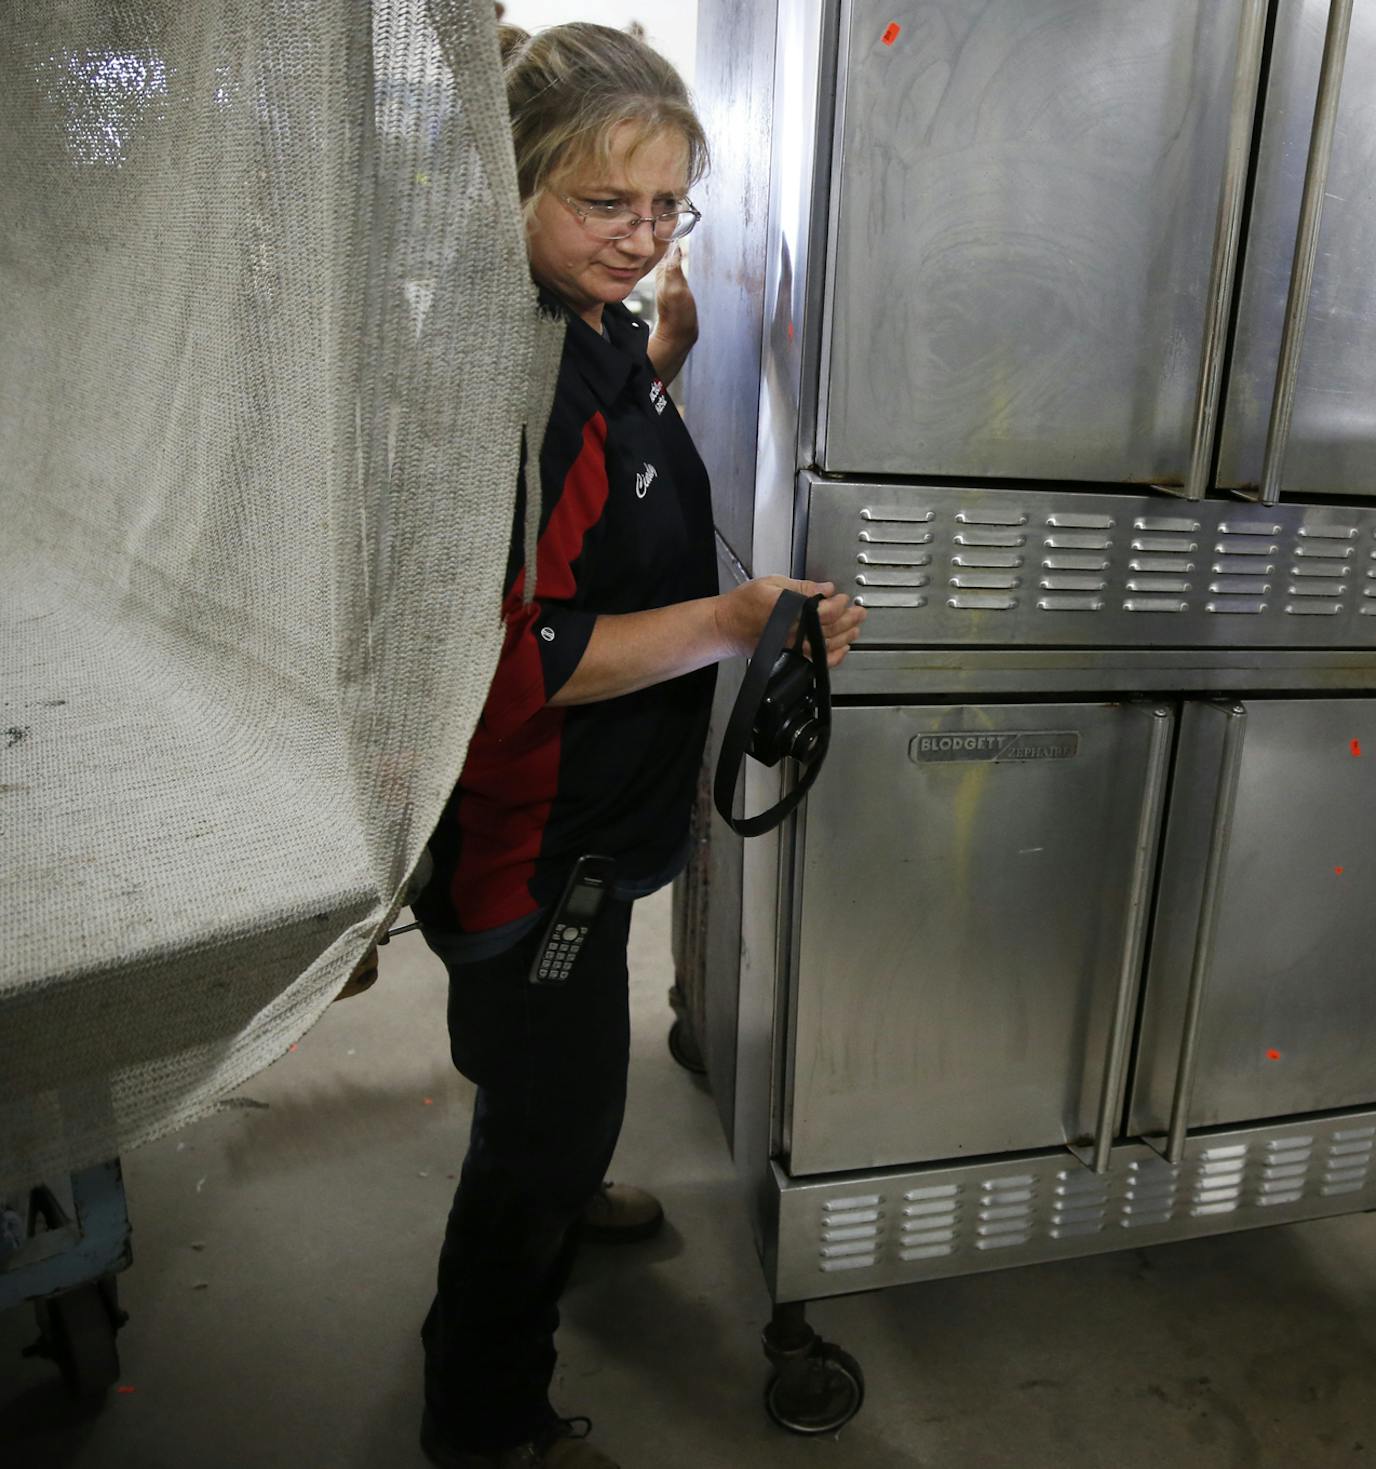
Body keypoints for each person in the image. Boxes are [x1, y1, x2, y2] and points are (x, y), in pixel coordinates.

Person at [408, 23, 865, 1468]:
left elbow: (600, 477)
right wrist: (733, 618)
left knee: (559, 1060)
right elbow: (502, 664)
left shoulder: (588, 330)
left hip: (590, 834)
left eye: (668, 205)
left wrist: (655, 351)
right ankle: (484, 1415)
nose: (644, 233)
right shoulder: (516, 385)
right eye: (606, 204)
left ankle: (561, 1157)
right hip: (533, 846)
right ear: (513, 186)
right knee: (541, 1113)